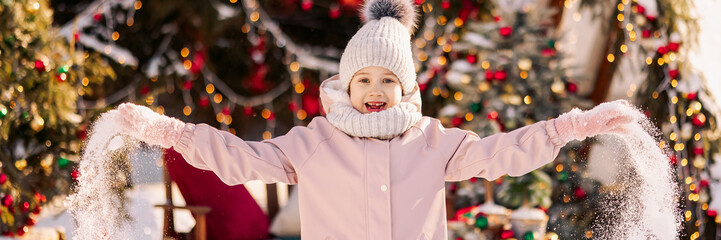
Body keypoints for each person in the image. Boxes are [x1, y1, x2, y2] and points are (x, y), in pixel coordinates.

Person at [115, 0, 641, 238]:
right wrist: (176, 134)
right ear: (346, 84)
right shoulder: (316, 143)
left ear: (406, 87)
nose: (374, 91)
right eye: (363, 79)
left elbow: (501, 152)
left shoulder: (434, 142)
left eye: (387, 80)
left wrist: (574, 125)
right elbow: (244, 159)